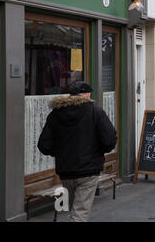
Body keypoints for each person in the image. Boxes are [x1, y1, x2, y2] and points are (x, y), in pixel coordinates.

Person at [38, 81, 117, 222]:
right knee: (79, 213)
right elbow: (110, 139)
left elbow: (44, 144)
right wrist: (98, 151)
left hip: (66, 170)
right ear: (87, 94)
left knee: (73, 209)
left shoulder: (56, 114)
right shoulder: (95, 111)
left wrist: (61, 153)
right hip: (88, 170)